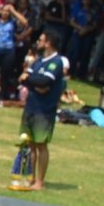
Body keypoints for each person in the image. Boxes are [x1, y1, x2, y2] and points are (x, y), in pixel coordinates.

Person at [15, 30, 75, 192]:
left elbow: (44, 82)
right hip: (31, 106)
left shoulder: (56, 62)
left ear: (48, 43)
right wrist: (33, 83)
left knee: (41, 145)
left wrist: (31, 81)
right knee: (30, 143)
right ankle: (30, 177)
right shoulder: (38, 61)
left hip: (44, 110)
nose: (38, 42)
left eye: (41, 40)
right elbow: (25, 78)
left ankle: (40, 181)